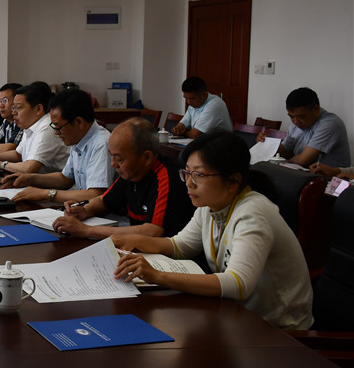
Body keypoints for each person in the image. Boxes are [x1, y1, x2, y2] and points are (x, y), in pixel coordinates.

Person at [112, 132, 313, 330]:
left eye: (198, 175)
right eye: (187, 173)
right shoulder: (210, 205)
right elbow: (179, 245)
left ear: (233, 181)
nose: (189, 183)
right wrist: (132, 240)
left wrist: (157, 276)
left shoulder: (253, 213)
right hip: (237, 315)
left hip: (279, 331)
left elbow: (238, 283)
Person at [52, 117, 194, 239]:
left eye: (119, 159)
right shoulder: (131, 173)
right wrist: (85, 210)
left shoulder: (168, 176)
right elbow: (104, 201)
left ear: (147, 158)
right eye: (112, 156)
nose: (113, 164)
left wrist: (86, 230)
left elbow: (152, 231)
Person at [7, 89, 114, 204]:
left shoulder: (101, 144)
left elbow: (95, 194)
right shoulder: (79, 137)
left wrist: (45, 194)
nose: (56, 133)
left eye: (58, 127)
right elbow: (65, 178)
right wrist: (30, 178)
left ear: (79, 122)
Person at [0, 82, 70, 175]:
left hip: (51, 183)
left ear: (38, 109)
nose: (14, 112)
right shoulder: (29, 125)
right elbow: (18, 154)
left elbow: (30, 168)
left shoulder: (47, 127)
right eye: (13, 108)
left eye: (18, 107)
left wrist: (0, 164)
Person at [259, 87, 350, 168]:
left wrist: (279, 163)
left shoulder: (330, 124)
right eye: (291, 117)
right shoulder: (296, 124)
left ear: (316, 109)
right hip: (303, 173)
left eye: (301, 117)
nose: (295, 121)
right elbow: (285, 152)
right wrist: (267, 143)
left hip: (329, 178)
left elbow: (302, 161)